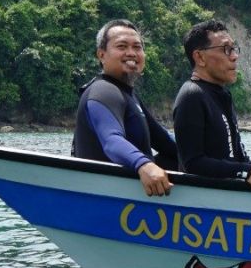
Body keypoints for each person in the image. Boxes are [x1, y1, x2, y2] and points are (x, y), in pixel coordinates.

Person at [72, 19, 178, 197]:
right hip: (104, 195)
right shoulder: (102, 91)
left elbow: (165, 142)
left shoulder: (129, 95)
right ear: (101, 55)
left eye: (137, 47)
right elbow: (111, 140)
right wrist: (144, 164)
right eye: (122, 46)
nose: (131, 53)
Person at [173, 20, 251, 195]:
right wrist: (246, 172)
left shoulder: (222, 95)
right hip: (212, 195)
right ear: (199, 57)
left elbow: (238, 154)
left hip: (233, 187)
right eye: (225, 49)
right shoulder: (192, 96)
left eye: (234, 48)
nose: (234, 56)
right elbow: (192, 162)